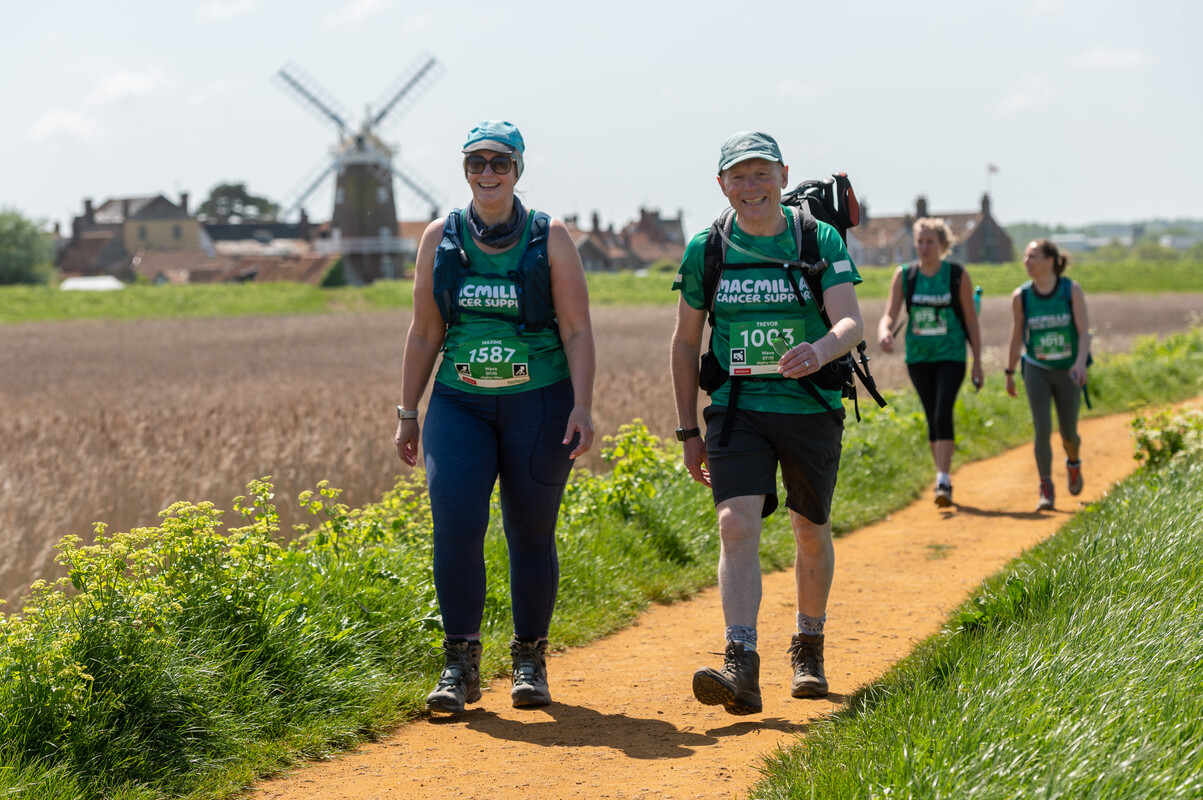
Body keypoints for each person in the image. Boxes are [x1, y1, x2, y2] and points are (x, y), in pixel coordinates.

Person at [394, 120, 595, 714]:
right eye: (476, 163)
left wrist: (583, 404)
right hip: (459, 403)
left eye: (499, 163)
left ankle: (529, 660)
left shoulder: (549, 237)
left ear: (517, 170)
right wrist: (409, 411)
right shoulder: (441, 236)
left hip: (540, 401)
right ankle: (460, 666)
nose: (487, 174)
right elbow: (426, 329)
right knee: (455, 528)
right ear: (464, 170)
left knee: (529, 533)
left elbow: (578, 329)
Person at [670, 131, 864, 715]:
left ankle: (808, 643)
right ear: (722, 184)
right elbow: (684, 343)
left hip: (809, 407)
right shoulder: (707, 247)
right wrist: (687, 430)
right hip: (736, 408)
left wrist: (822, 349)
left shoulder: (817, 237)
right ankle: (741, 663)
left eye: (761, 174)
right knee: (735, 523)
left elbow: (850, 321)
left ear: (782, 175)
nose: (750, 187)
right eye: (738, 176)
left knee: (809, 529)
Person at [877, 218, 983, 507]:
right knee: (930, 415)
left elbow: (971, 321)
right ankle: (941, 475)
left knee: (942, 411)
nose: (924, 247)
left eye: (930, 242)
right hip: (919, 357)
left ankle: (943, 478)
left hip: (951, 355)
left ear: (942, 245)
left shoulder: (956, 275)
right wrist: (884, 332)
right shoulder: (905, 275)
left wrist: (978, 362)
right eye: (920, 242)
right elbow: (890, 313)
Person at [1004, 239, 1091, 511]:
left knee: (1069, 434)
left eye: (1033, 256)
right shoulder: (1022, 296)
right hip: (1036, 369)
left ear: (1050, 261)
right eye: (1026, 256)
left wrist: (1079, 364)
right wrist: (1009, 371)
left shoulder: (1070, 290)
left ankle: (1073, 463)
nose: (1026, 261)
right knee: (1042, 428)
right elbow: (1017, 335)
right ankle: (1046, 488)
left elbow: (1084, 333)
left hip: (1068, 370)